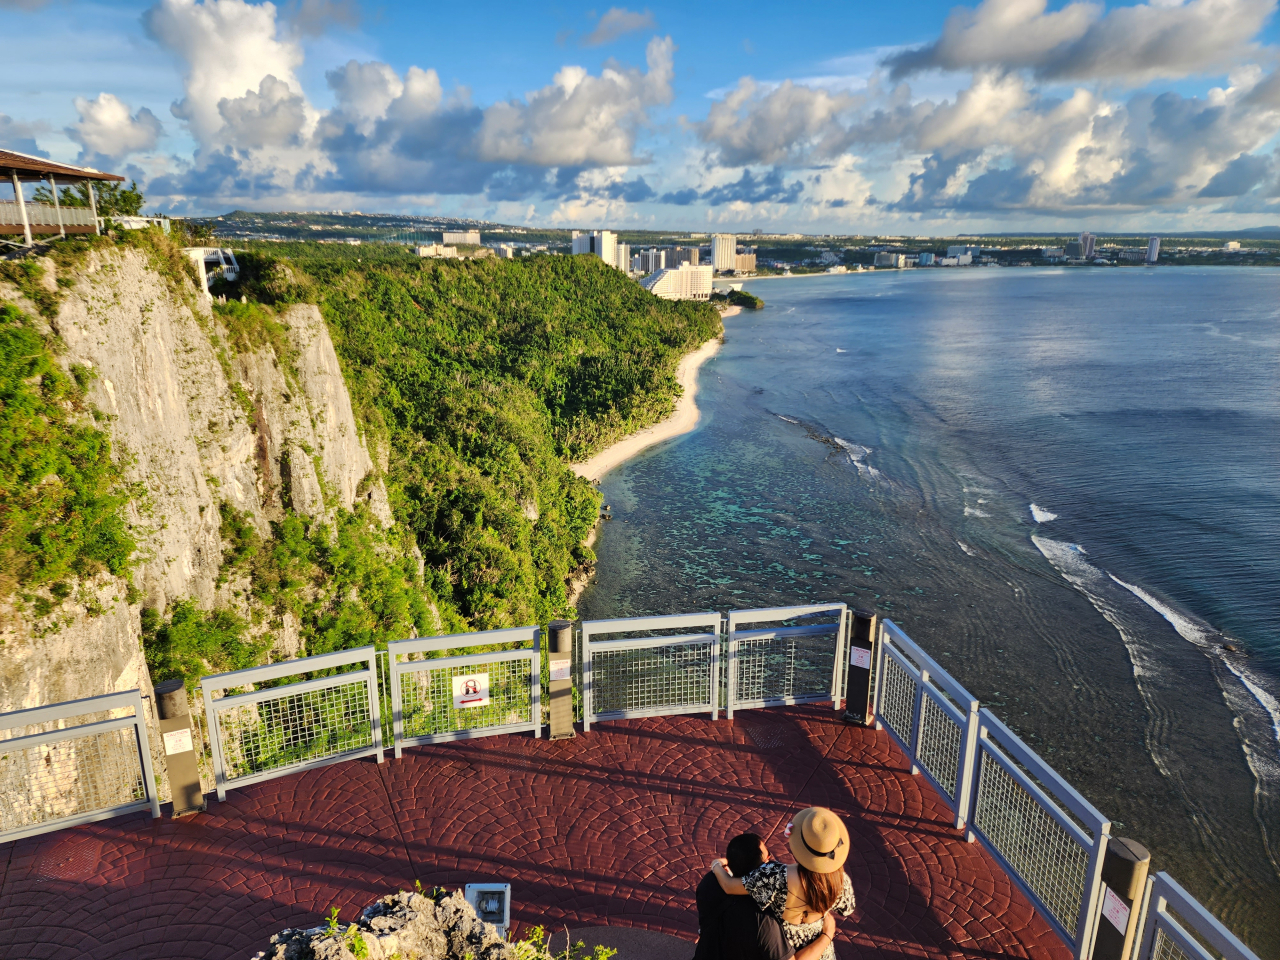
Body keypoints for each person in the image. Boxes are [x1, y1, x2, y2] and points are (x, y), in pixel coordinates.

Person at [709, 808, 855, 960]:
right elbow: (847, 909)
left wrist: (716, 864)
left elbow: (728, 885)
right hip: (821, 953)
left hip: (783, 950)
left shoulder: (775, 875)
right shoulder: (840, 882)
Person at [695, 832, 837, 960]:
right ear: (764, 871)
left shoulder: (709, 882)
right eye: (768, 856)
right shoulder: (764, 918)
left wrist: (718, 864)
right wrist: (827, 935)